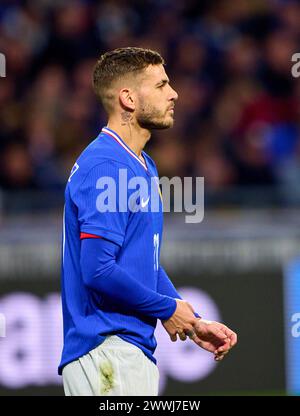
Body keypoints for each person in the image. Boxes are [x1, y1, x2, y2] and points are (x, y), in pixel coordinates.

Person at [58, 47, 237, 396]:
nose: (174, 93)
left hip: (127, 351)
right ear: (128, 98)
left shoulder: (141, 164)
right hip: (106, 351)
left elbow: (144, 265)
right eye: (161, 85)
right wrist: (167, 309)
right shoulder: (107, 166)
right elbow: (97, 269)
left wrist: (192, 321)